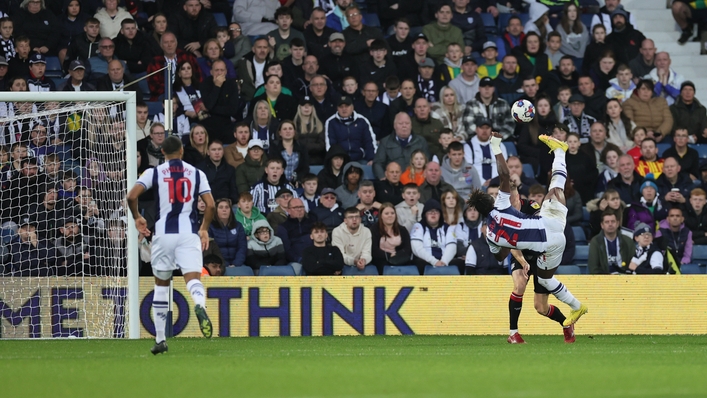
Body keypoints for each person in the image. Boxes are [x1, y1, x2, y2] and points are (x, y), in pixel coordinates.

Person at [467, 132, 589, 327]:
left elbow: (500, 257)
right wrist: (497, 147)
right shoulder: (501, 203)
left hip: (552, 244)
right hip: (551, 221)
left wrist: (507, 242)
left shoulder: (490, 235)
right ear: (491, 200)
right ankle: (560, 153)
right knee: (556, 187)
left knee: (546, 280)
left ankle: (577, 306)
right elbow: (505, 175)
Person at [126, 135, 215, 354]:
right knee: (193, 278)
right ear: (182, 151)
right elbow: (211, 205)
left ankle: (160, 338)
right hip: (188, 233)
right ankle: (199, 304)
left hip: (163, 235)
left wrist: (137, 217)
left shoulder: (153, 172)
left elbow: (131, 196)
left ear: (162, 152)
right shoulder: (196, 173)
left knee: (161, 285)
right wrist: (203, 229)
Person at [410, 199, 459, 274]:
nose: (433, 214)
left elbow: (452, 247)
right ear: (425, 214)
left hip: (444, 261)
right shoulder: (418, 227)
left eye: (436, 211)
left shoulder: (448, 228)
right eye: (430, 212)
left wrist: (444, 261)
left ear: (440, 214)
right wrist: (434, 261)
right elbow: (417, 248)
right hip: (425, 261)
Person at [325, 95, 377, 164]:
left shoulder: (362, 120)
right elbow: (330, 145)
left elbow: (369, 141)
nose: (344, 109)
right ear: (337, 108)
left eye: (347, 106)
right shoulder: (331, 122)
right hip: (340, 161)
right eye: (341, 107)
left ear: (352, 107)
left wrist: (371, 158)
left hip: (361, 158)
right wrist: (337, 159)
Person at [371, 203, 413, 274]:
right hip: (381, 260)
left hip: (400, 259)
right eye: (386, 213)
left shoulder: (402, 230)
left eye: (392, 213)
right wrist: (389, 255)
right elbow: (374, 250)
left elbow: (407, 249)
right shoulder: (374, 229)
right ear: (381, 216)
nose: (390, 215)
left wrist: (397, 255)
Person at [588, 210, 635, 274]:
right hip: (604, 280)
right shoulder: (595, 242)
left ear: (617, 224)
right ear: (602, 225)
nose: (610, 224)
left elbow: (633, 264)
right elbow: (594, 268)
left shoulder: (627, 241)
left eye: (613, 221)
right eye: (607, 222)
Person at [209, 197, 247, 268]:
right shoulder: (210, 227)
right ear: (216, 210)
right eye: (221, 207)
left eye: (227, 207)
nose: (224, 210)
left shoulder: (238, 226)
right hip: (217, 264)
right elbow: (212, 250)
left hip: (237, 264)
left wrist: (236, 263)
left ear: (230, 210)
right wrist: (224, 264)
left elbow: (242, 247)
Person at [332, 206, 372, 271]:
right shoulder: (337, 231)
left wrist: (363, 260)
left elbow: (367, 252)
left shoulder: (366, 231)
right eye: (351, 217)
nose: (354, 219)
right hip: (343, 265)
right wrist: (354, 261)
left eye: (357, 217)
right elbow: (339, 255)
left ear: (360, 219)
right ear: (345, 220)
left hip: (363, 264)